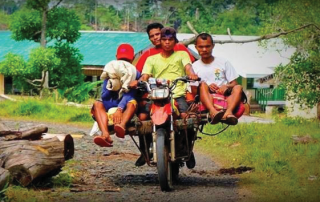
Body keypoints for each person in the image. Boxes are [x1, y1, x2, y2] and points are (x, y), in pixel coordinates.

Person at [130, 27, 199, 166]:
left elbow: (188, 67)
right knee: (142, 119)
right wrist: (139, 81)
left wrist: (191, 74)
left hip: (177, 93)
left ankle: (187, 149)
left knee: (188, 119)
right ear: (160, 41)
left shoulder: (182, 55)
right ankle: (145, 151)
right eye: (164, 40)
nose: (167, 42)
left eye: (170, 40)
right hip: (156, 95)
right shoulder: (151, 58)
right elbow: (145, 75)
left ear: (175, 41)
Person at [91, 43, 140, 147]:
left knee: (132, 102)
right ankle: (105, 135)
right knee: (97, 104)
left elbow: (130, 94)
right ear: (133, 57)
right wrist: (113, 83)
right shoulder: (110, 70)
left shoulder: (135, 73)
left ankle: (121, 126)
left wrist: (119, 109)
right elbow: (104, 95)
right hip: (111, 104)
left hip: (126, 106)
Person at [190, 33, 244, 125]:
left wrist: (226, 86)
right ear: (196, 47)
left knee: (238, 87)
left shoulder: (223, 62)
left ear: (213, 46)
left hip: (225, 96)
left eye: (207, 46)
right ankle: (212, 111)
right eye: (201, 47)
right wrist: (206, 86)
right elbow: (194, 91)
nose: (204, 49)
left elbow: (234, 83)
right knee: (203, 85)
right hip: (207, 97)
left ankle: (228, 112)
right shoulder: (194, 66)